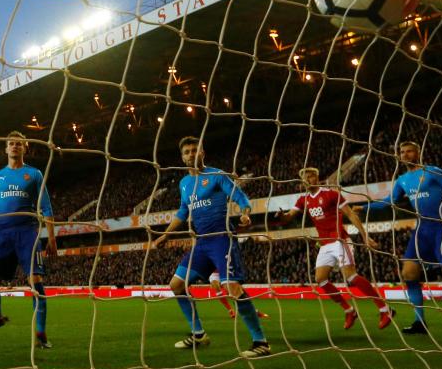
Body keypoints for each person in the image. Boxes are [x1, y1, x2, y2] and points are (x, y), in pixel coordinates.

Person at [152, 136, 269, 357]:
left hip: (222, 239)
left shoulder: (216, 175)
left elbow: (240, 197)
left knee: (233, 289)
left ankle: (260, 342)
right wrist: (164, 236)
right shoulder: (184, 184)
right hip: (202, 242)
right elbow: (182, 212)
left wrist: (244, 214)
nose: (190, 154)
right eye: (186, 151)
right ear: (182, 157)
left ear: (202, 153)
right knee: (176, 285)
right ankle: (198, 334)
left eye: (194, 150)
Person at [359, 142, 442, 338]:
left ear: (418, 152)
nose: (405, 154)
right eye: (402, 152)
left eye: (409, 151)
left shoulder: (433, 172)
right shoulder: (403, 179)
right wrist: (364, 208)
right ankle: (420, 322)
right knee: (409, 272)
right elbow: (390, 200)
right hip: (421, 229)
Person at [273, 167, 393, 330]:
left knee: (351, 277)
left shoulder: (331, 194)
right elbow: (287, 218)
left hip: (340, 240)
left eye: (311, 177)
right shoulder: (303, 200)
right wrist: (281, 217)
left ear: (317, 178)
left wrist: (365, 236)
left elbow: (351, 214)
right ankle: (349, 310)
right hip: (324, 244)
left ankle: (385, 309)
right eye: (305, 178)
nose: (308, 180)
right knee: (320, 280)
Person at [0, 131, 56, 348]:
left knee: (35, 283)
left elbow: (46, 206)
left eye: (19, 143)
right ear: (6, 149)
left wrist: (52, 238)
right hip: (3, 234)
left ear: (25, 147)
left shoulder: (34, 174)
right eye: (11, 143)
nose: (15, 146)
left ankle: (40, 333)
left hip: (27, 232)